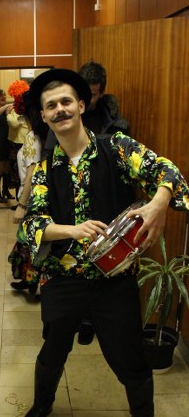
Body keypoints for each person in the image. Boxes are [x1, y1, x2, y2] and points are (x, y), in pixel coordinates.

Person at [20, 68, 189, 417]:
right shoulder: (44, 171)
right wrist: (71, 230)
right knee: (52, 352)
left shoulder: (117, 148)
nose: (60, 110)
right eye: (51, 106)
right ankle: (42, 406)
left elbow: (169, 173)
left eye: (66, 101)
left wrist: (158, 204)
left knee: (130, 360)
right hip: (63, 280)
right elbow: (29, 227)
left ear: (82, 105)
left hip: (115, 283)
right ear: (43, 116)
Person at [76, 60, 130, 344]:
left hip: (106, 195)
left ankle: (96, 319)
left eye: (95, 94)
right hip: (76, 195)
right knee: (80, 257)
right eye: (87, 93)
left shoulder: (112, 117)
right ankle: (82, 317)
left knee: (103, 256)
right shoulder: (72, 110)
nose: (91, 100)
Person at [8, 90, 47, 295]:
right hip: (34, 195)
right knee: (30, 241)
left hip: (31, 198)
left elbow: (31, 174)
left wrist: (21, 205)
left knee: (29, 242)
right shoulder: (40, 136)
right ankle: (29, 280)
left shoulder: (33, 138)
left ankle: (32, 282)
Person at [6, 80, 30, 195]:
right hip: (19, 141)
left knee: (19, 173)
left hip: (19, 143)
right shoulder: (21, 106)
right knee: (19, 172)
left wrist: (8, 114)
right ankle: (20, 198)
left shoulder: (19, 107)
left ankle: (20, 199)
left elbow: (14, 123)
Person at [0, 89, 14, 203]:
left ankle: (5, 190)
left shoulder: (6, 110)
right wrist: (6, 106)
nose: (4, 97)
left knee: (7, 167)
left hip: (7, 141)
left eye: (5, 96)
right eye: (1, 96)